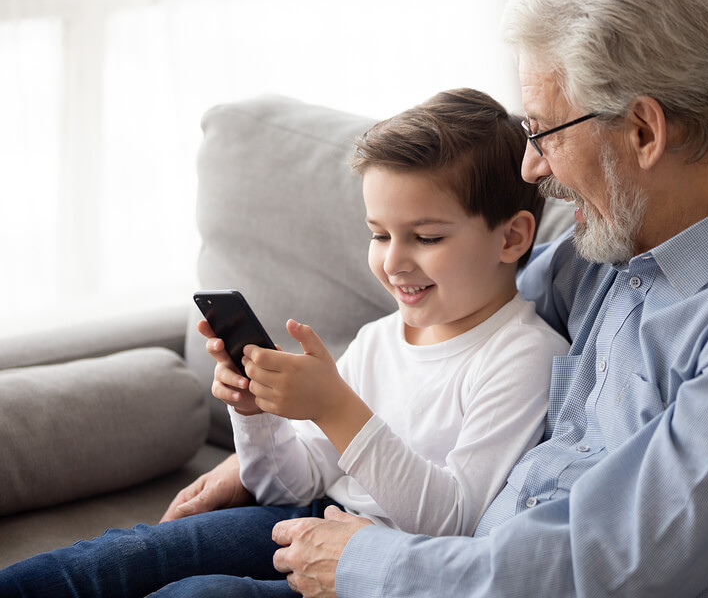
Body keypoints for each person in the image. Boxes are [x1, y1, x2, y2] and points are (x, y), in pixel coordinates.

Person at [150, 0, 708, 596]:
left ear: (643, 130)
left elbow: (610, 566)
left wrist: (374, 567)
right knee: (136, 563)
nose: (534, 167)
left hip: (462, 575)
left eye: (542, 132)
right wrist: (268, 446)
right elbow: (457, 318)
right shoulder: (610, 246)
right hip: (458, 557)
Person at [0, 88, 570, 597]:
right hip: (309, 515)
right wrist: (255, 413)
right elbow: (287, 484)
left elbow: (454, 523)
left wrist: (335, 407)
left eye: (425, 237)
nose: (393, 261)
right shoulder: (380, 339)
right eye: (379, 233)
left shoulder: (523, 356)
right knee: (124, 554)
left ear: (512, 237)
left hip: (388, 568)